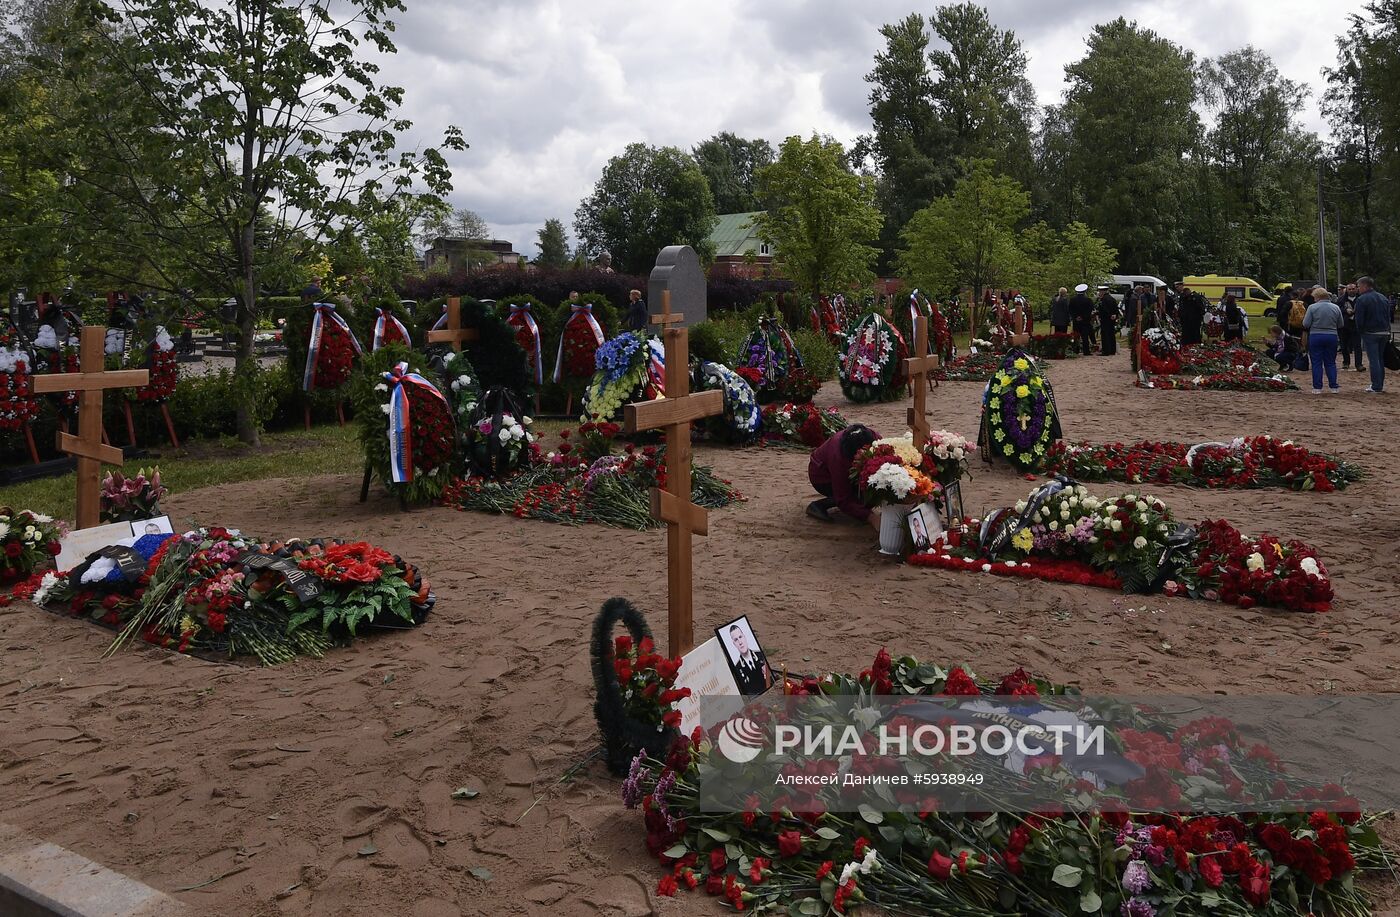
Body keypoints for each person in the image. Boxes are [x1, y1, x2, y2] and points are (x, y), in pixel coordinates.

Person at [807, 424, 881, 529]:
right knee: (854, 497)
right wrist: (871, 517)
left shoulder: (876, 440)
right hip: (822, 477)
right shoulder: (838, 456)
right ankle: (820, 505)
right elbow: (843, 498)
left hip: (850, 471)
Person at [1302, 287, 1343, 394]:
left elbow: (1306, 324)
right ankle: (1334, 387)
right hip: (1332, 336)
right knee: (1330, 362)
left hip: (1316, 336)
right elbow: (1341, 324)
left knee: (1316, 362)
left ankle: (1317, 387)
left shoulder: (1312, 307)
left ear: (1318, 297)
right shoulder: (1336, 307)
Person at [1354, 276, 1391, 393]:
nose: (1358, 289)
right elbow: (1388, 316)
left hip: (1370, 333)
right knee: (1380, 359)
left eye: (1359, 286)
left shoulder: (1362, 299)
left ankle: (1376, 386)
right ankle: (1379, 384)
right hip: (1384, 331)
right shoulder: (1383, 298)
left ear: (1365, 286)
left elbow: (1359, 319)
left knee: (1374, 360)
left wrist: (1360, 331)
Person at [727, 624, 773, 695]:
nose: (740, 642)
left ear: (744, 637)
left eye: (740, 637)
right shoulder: (737, 668)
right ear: (734, 644)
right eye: (736, 640)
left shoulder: (760, 655)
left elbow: (770, 680)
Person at [1336, 283, 1363, 371]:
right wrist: (1345, 310)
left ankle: (1359, 364)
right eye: (1349, 289)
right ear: (1346, 290)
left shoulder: (1361, 299)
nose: (1351, 290)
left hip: (1356, 325)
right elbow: (1337, 309)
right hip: (1345, 325)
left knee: (1357, 346)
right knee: (1344, 345)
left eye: (1353, 289)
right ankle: (1346, 362)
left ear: (1356, 289)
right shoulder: (1341, 299)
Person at [1069, 283, 1095, 356]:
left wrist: (1075, 317)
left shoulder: (1072, 300)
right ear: (1085, 291)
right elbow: (1089, 310)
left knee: (1076, 336)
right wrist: (1083, 317)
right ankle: (1086, 351)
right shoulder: (1088, 300)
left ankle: (1075, 350)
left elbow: (1070, 310)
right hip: (1085, 321)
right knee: (1085, 336)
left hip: (1076, 321)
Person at [1097, 287, 1118, 356]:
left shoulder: (1103, 300)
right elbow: (1116, 308)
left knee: (1105, 335)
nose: (1099, 293)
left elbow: (1104, 310)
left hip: (1105, 319)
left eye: (1100, 292)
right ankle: (1112, 350)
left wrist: (1109, 315)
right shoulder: (1112, 299)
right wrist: (1114, 315)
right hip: (1111, 320)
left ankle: (1106, 351)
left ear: (1103, 292)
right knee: (1111, 334)